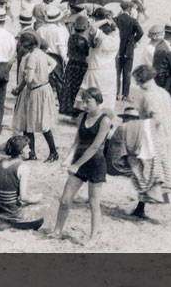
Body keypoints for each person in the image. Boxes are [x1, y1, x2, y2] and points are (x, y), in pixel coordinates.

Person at [129, 65, 171, 228]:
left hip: (156, 142)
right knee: (146, 174)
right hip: (169, 139)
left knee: (163, 178)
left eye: (139, 82)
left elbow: (156, 120)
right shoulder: (164, 93)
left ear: (142, 79)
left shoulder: (149, 96)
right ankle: (140, 208)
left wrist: (138, 127)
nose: (138, 85)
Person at [51, 88, 111, 245]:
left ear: (98, 102)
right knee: (65, 200)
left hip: (96, 163)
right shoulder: (81, 117)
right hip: (79, 161)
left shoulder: (105, 121)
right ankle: (57, 231)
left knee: (93, 202)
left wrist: (76, 165)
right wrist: (67, 160)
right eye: (83, 101)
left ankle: (93, 237)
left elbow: (95, 147)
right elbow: (77, 142)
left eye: (88, 102)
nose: (84, 105)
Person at [11, 34, 59, 162]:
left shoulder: (31, 57)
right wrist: (43, 73)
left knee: (35, 123)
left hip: (36, 91)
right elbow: (53, 63)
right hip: (42, 89)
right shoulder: (41, 53)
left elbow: (28, 79)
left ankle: (50, 152)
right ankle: (36, 153)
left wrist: (20, 84)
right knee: (32, 123)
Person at [0, 135, 44, 230]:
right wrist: (36, 198)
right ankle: (12, 223)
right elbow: (23, 197)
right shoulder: (22, 167)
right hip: (9, 210)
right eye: (27, 147)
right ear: (21, 151)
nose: (29, 150)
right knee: (41, 211)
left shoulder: (0, 161)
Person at [75, 8, 120, 113]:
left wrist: (104, 20)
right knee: (107, 96)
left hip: (96, 69)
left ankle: (91, 115)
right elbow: (116, 29)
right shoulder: (115, 37)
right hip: (109, 71)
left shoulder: (100, 37)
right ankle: (105, 115)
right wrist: (109, 20)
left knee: (91, 95)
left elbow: (93, 27)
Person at [36, 8, 69, 113]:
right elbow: (61, 47)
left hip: (42, 55)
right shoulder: (58, 30)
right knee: (59, 81)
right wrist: (65, 59)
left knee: (43, 80)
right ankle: (62, 107)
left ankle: (42, 104)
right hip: (55, 57)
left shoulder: (40, 29)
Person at [114, 1, 144, 101]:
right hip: (128, 50)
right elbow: (140, 32)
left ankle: (116, 93)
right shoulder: (133, 21)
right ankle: (125, 94)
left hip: (117, 49)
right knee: (127, 72)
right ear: (130, 9)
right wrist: (133, 41)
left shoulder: (116, 20)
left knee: (117, 72)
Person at [64, 15, 90, 117]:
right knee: (78, 88)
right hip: (80, 66)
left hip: (71, 64)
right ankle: (75, 110)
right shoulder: (83, 41)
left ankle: (68, 108)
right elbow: (87, 53)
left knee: (70, 88)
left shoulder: (71, 37)